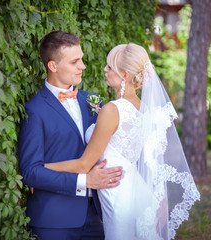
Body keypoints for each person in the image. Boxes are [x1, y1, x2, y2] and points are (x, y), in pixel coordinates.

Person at [45, 43, 200, 240]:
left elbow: (85, 164)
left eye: (110, 66)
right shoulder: (145, 109)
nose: (104, 69)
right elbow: (149, 161)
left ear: (125, 75)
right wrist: (158, 197)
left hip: (118, 196)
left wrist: (43, 168)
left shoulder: (112, 110)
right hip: (140, 192)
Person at [18, 31, 123, 240]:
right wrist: (84, 181)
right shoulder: (34, 110)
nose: (82, 66)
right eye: (75, 61)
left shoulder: (93, 101)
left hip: (99, 215)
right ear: (53, 66)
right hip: (54, 220)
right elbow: (30, 172)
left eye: (81, 59)